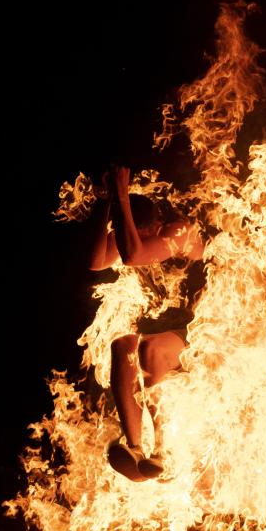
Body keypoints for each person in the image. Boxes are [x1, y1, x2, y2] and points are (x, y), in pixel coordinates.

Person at [87, 165, 205, 481]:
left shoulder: (179, 232)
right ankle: (135, 446)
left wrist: (123, 196)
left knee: (150, 348)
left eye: (142, 234)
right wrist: (107, 202)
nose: (132, 241)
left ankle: (163, 451)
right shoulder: (132, 236)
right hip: (165, 332)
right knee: (122, 344)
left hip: (203, 330)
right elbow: (95, 260)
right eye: (130, 235)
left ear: (155, 225)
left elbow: (133, 255)